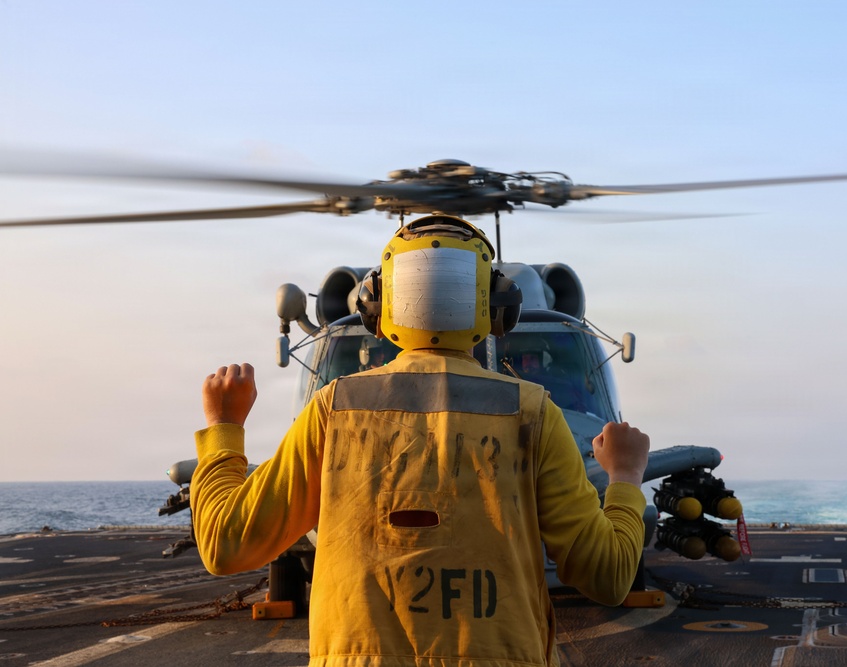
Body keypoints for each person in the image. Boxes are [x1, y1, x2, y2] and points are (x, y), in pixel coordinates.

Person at [191, 215, 650, 667]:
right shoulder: (531, 412)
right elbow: (608, 577)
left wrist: (224, 425)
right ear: (497, 306)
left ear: (377, 304)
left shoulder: (333, 409)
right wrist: (625, 476)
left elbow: (225, 544)